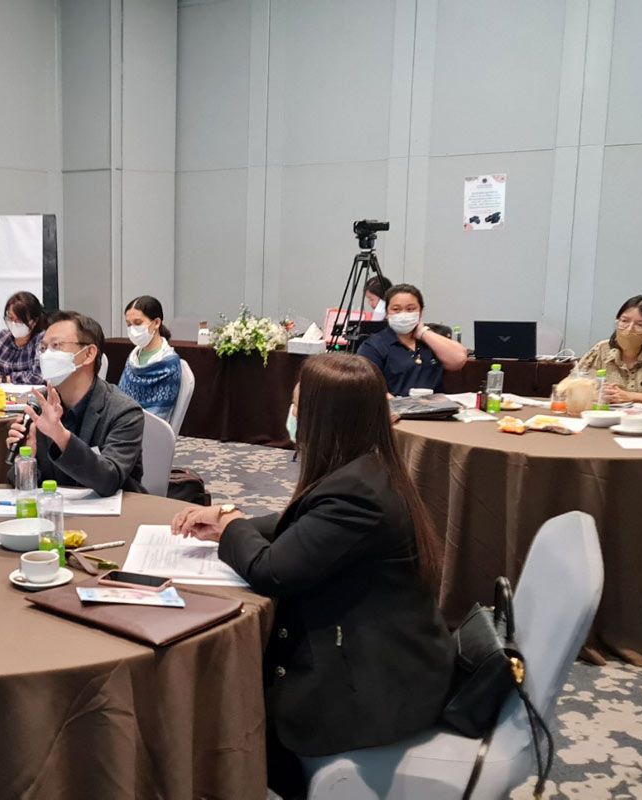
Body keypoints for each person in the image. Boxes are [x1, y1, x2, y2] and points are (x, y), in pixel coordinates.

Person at [170, 354, 453, 795]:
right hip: (378, 647)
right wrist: (228, 517)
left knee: (227, 705)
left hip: (372, 685)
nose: (291, 415)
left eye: (298, 407)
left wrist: (231, 526)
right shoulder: (365, 469)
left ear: (326, 419)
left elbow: (271, 571)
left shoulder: (357, 493)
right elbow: (303, 523)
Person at [6, 311, 146, 496]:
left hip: (113, 510)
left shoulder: (123, 411)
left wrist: (60, 436)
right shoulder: (38, 405)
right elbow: (28, 485)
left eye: (56, 346)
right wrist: (26, 461)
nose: (47, 355)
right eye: (43, 348)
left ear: (88, 353)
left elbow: (108, 480)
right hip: (55, 508)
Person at [357, 283, 467, 396]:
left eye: (410, 309)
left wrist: (423, 333)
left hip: (435, 405)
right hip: (395, 405)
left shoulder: (431, 339)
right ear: (387, 313)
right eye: (396, 309)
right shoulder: (373, 346)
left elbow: (459, 359)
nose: (403, 314)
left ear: (420, 311)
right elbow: (367, 387)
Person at [575, 295, 642, 407]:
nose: (629, 329)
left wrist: (630, 397)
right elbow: (571, 387)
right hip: (606, 415)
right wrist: (597, 394)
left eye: (640, 325)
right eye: (624, 321)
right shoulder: (601, 349)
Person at [118, 295, 181, 421]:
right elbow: (120, 398)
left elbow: (159, 412)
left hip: (150, 426)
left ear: (156, 323)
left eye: (138, 323)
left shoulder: (169, 363)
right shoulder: (133, 357)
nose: (132, 329)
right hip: (122, 420)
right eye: (129, 324)